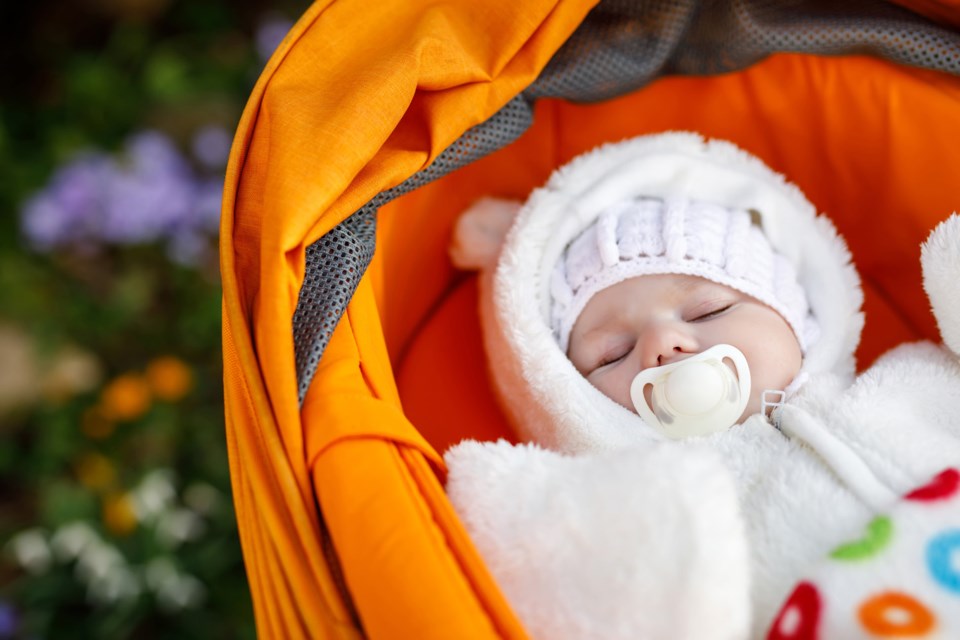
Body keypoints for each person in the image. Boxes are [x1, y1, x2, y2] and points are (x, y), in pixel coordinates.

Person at [444, 132, 960, 639]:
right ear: (570, 399)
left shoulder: (905, 383)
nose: (663, 342)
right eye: (612, 354)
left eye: (709, 309)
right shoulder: (656, 512)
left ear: (799, 318)